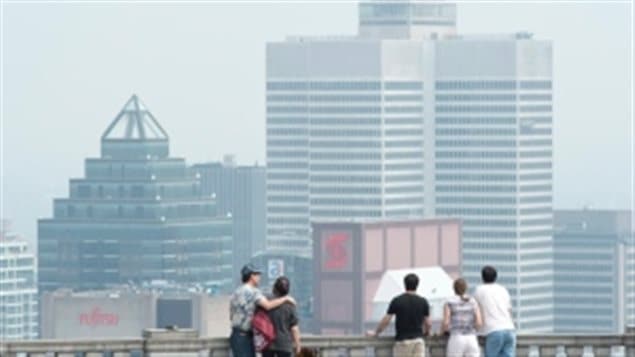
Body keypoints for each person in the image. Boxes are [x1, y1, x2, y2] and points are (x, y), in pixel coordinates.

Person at [229, 264, 296, 357]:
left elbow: (231, 316)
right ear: (251, 276)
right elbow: (268, 305)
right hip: (245, 336)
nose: (259, 277)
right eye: (257, 274)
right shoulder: (253, 292)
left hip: (235, 335)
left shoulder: (236, 292)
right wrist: (285, 299)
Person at [367, 273, 431, 357]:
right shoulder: (423, 302)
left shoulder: (397, 301)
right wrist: (426, 332)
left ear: (405, 284)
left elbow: (386, 320)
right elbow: (428, 323)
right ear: (417, 285)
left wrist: (376, 332)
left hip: (402, 341)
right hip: (418, 341)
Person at [474, 266, 516, 357]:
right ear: (496, 277)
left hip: (493, 330)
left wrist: (479, 331)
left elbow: (477, 312)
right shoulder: (503, 289)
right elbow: (509, 311)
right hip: (509, 329)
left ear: (482, 277)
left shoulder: (479, 290)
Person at [442, 278, 483, 357]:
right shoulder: (473, 301)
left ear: (454, 288)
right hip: (471, 338)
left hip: (456, 337)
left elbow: (446, 322)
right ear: (466, 288)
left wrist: (443, 332)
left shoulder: (449, 302)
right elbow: (479, 323)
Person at [263, 276, 302, 357]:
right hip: (284, 345)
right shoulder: (290, 304)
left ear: (274, 287)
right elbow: (294, 328)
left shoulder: (266, 300)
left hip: (268, 343)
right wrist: (298, 345)